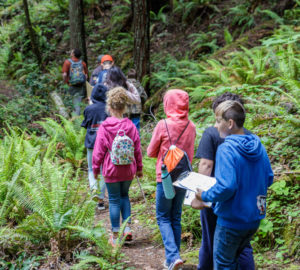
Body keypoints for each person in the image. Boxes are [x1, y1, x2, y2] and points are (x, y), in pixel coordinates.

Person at [193, 100, 273, 269]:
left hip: (231, 220)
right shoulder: (257, 144)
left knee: (223, 264)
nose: (215, 126)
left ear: (230, 123)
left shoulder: (227, 148)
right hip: (253, 218)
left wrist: (204, 195)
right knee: (238, 260)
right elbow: (269, 177)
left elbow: (227, 187)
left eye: (218, 121)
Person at [147, 89, 196, 270]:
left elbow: (151, 152)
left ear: (168, 103)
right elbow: (189, 154)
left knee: (162, 217)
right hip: (184, 177)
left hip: (165, 177)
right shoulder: (191, 126)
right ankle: (173, 260)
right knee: (175, 217)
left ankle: (173, 257)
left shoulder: (163, 124)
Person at [92, 87, 143, 246]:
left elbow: (98, 151)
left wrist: (95, 169)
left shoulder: (105, 127)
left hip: (111, 169)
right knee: (124, 196)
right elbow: (137, 148)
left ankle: (115, 237)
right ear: (124, 107)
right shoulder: (130, 126)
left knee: (114, 200)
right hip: (128, 169)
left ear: (109, 107)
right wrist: (139, 168)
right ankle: (127, 229)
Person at [81, 84, 108, 210]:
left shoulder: (89, 109)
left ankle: (94, 191)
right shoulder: (109, 109)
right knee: (103, 171)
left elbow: (85, 124)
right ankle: (101, 200)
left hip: (91, 143)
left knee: (92, 169)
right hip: (105, 145)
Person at [62, 48, 88, 115]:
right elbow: (86, 75)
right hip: (80, 86)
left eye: (71, 52)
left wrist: (64, 82)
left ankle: (73, 119)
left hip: (70, 85)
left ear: (73, 54)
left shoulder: (67, 62)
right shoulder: (82, 63)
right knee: (77, 103)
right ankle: (77, 117)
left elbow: (64, 74)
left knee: (69, 102)